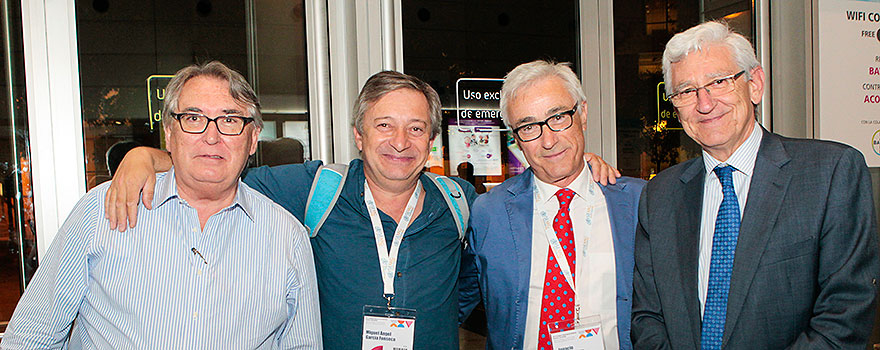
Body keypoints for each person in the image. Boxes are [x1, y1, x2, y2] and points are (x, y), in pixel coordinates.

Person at [105, 69, 619, 348]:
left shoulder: (459, 203)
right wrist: (145, 156)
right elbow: (216, 165)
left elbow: (470, 282)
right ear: (358, 135)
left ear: (432, 141)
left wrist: (583, 167)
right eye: (383, 125)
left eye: (416, 128)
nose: (400, 141)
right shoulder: (311, 190)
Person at [1, 61, 321, 349]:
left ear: (252, 140)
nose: (212, 136)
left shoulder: (287, 236)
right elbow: (32, 336)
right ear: (169, 133)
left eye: (230, 119)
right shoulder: (100, 212)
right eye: (193, 118)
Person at [631, 21, 880, 349]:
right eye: (687, 91)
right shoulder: (659, 195)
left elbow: (845, 312)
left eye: (718, 82)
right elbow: (647, 317)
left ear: (755, 84)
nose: (704, 103)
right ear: (675, 105)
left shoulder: (830, 173)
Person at [459, 60, 643, 350]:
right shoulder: (489, 213)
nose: (548, 141)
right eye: (529, 126)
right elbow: (453, 302)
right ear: (516, 139)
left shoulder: (638, 204)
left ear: (582, 114)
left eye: (558, 118)